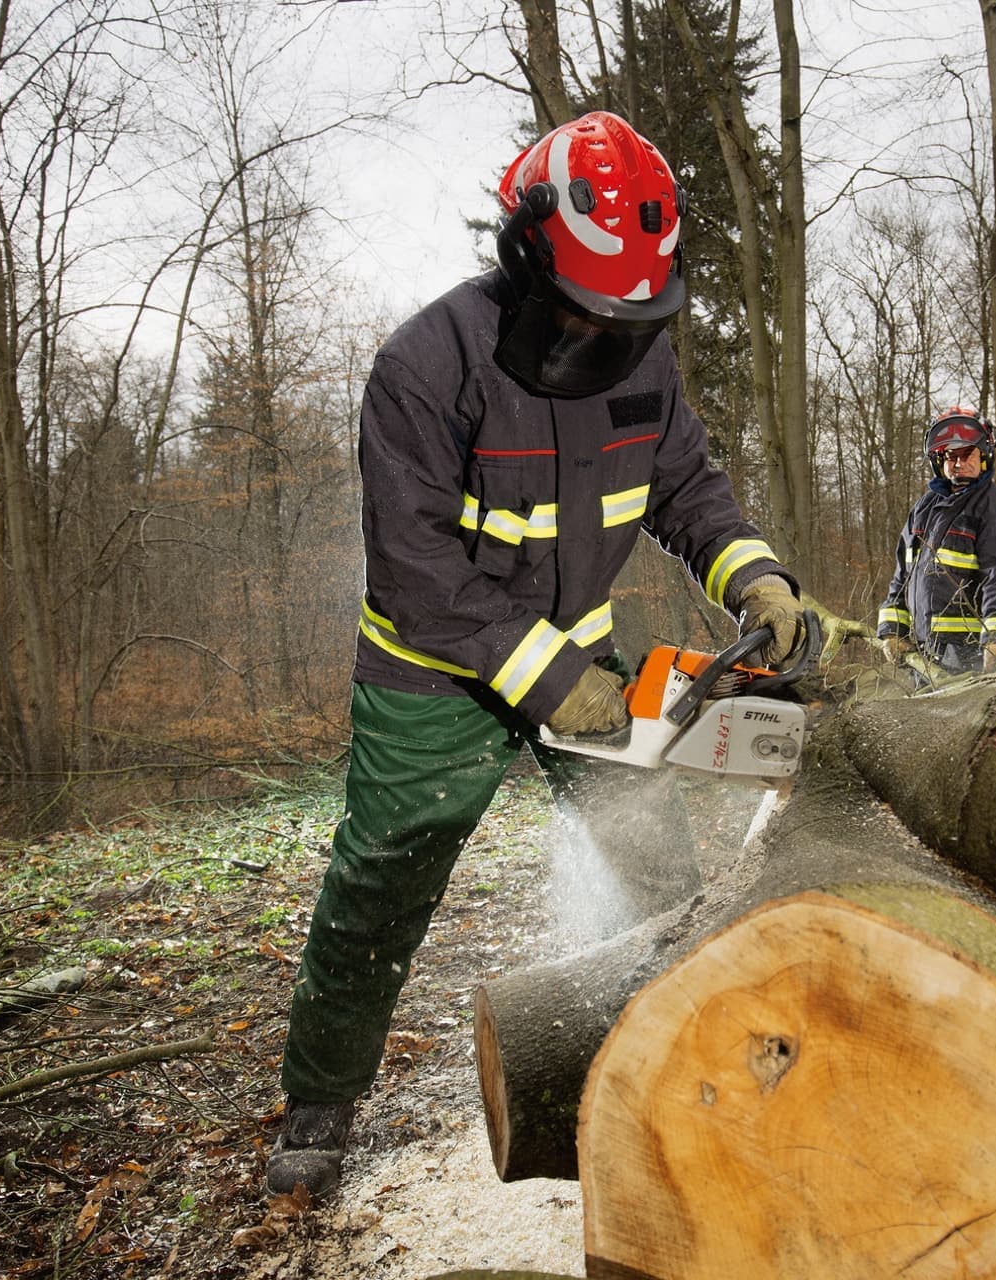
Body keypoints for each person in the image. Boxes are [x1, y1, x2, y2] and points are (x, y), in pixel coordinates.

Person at [265, 111, 805, 1200]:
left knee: (658, 865)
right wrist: (553, 680)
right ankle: (319, 1105)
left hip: (578, 645)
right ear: (523, 259)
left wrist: (755, 574)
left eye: (625, 316)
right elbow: (416, 570)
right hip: (434, 667)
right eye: (580, 312)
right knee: (383, 877)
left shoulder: (639, 357)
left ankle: (671, 1071)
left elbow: (687, 488)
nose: (601, 336)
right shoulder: (424, 368)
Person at [875, 408, 996, 678]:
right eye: (950, 456)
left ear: (983, 455)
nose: (958, 463)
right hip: (924, 650)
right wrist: (893, 630)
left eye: (966, 454)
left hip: (968, 651)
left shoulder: (993, 509)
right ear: (938, 461)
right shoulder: (924, 508)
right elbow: (903, 574)